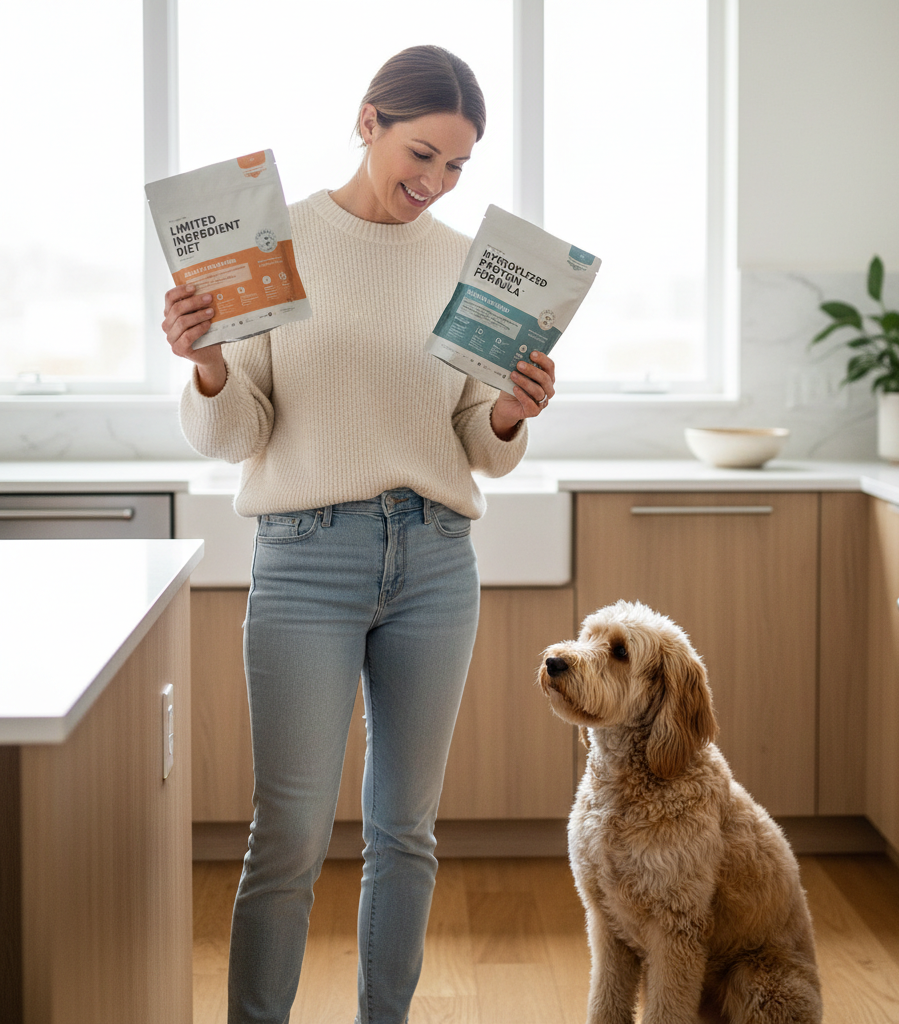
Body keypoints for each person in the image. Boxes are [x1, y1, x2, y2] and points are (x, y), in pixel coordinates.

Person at [162, 45, 554, 1024]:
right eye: (422, 153)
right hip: (304, 557)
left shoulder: (469, 265)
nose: (436, 182)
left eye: (458, 166)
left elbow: (476, 445)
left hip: (433, 558)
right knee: (288, 834)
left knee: (404, 831)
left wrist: (509, 412)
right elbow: (239, 431)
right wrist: (209, 364)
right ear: (368, 120)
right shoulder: (271, 245)